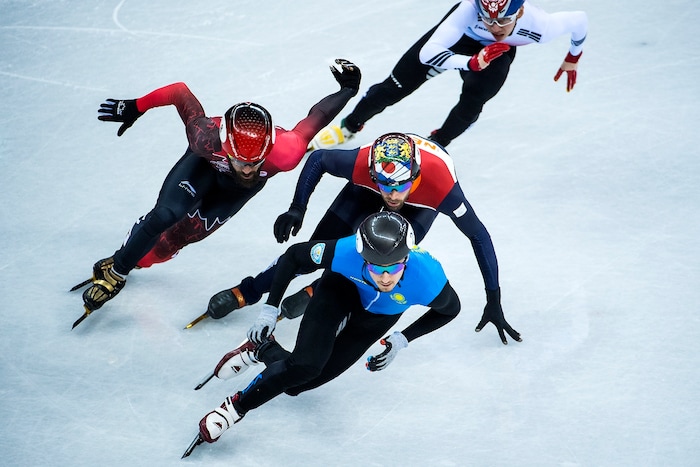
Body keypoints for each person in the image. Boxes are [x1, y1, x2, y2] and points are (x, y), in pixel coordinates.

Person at [75, 59, 361, 314]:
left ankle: (137, 258)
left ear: (269, 149)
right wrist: (136, 107)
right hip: (203, 166)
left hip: (234, 192)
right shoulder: (205, 137)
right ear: (225, 145)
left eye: (256, 162)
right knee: (165, 216)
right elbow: (179, 92)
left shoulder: (287, 151)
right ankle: (118, 270)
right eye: (241, 161)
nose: (248, 169)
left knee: (180, 239)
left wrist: (348, 90)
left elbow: (316, 119)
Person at [208, 132, 520, 345]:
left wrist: (494, 298)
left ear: (415, 176)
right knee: (313, 254)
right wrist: (297, 209)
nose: (393, 194)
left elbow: (479, 236)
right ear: (373, 174)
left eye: (400, 185)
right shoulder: (362, 164)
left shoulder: (441, 187)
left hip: (419, 206)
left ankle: (322, 289)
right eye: (385, 184)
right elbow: (319, 160)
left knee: (383, 257)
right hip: (362, 192)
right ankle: (248, 291)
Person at [196, 211, 462, 444]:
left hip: (378, 318)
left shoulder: (428, 278)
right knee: (305, 366)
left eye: (393, 268)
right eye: (374, 267)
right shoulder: (345, 252)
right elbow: (292, 257)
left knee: (296, 384)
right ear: (363, 257)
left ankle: (262, 349)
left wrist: (404, 338)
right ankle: (234, 409)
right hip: (339, 291)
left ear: (406, 258)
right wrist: (270, 307)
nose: (384, 277)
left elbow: (450, 310)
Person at [312, 0, 587, 149]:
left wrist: (573, 58)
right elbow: (426, 54)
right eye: (488, 19)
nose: (495, 27)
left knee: (472, 104)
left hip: (498, 53)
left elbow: (579, 21)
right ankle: (349, 126)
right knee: (392, 89)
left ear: (521, 11)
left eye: (504, 20)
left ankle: (438, 144)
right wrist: (470, 63)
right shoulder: (467, 10)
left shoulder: (541, 26)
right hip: (459, 41)